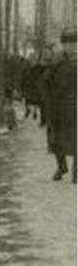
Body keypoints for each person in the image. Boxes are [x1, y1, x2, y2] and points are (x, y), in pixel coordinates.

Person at [44, 32, 77, 183]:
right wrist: (50, 100)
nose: (71, 47)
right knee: (57, 139)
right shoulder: (56, 62)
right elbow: (45, 82)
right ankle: (62, 167)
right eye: (68, 44)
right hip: (59, 106)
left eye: (74, 44)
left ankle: (76, 171)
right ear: (63, 45)